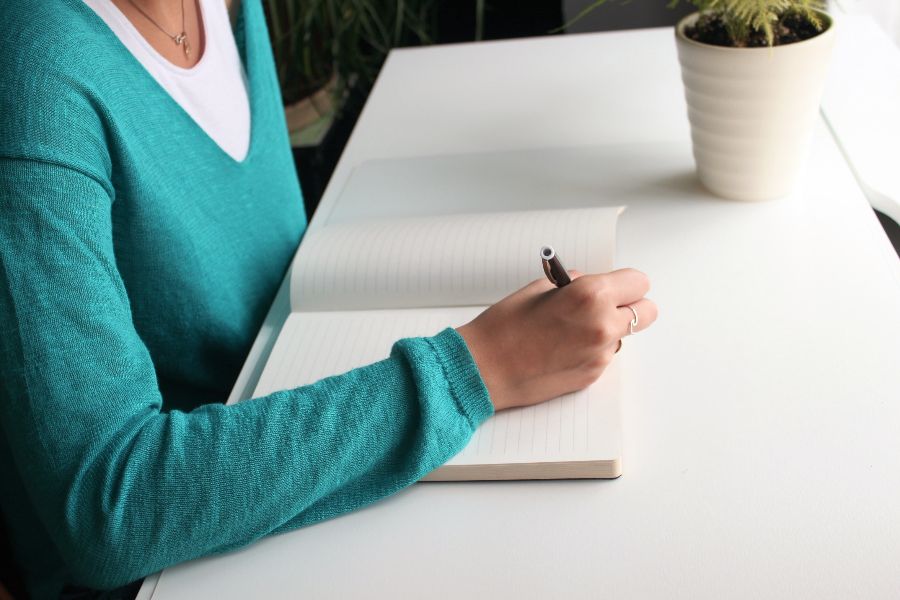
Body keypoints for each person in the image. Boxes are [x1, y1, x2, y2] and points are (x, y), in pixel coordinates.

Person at [0, 0, 658, 598]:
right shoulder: (35, 78)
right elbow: (108, 507)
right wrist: (479, 369)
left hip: (296, 453)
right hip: (180, 565)